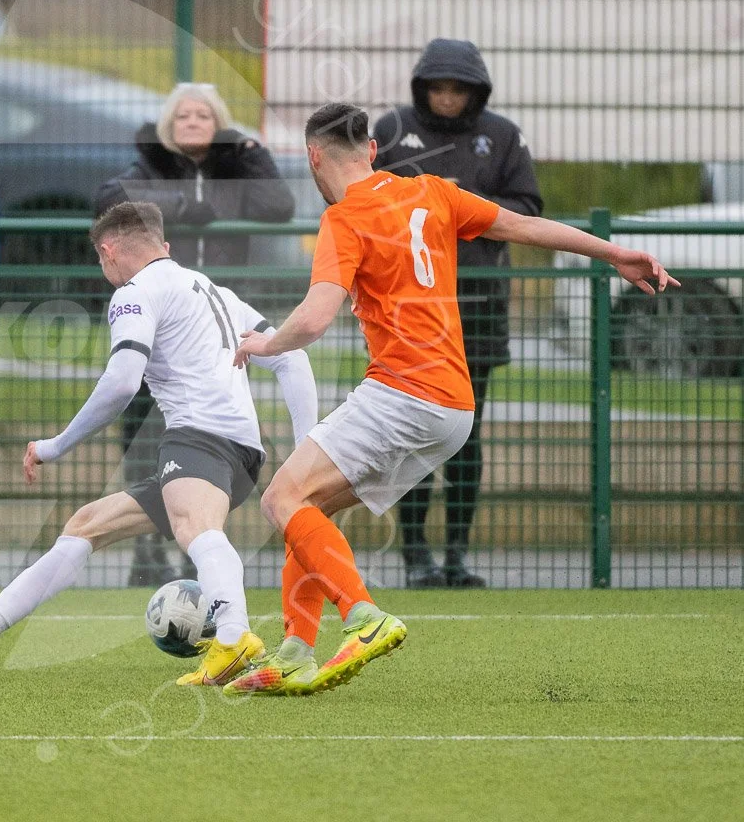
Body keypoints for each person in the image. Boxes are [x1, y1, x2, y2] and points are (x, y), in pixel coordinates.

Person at [226, 103, 675, 697]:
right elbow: (524, 225)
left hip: (402, 392)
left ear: (313, 156)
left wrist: (264, 343)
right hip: (454, 407)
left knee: (281, 496)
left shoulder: (344, 219)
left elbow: (312, 321)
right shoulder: (433, 192)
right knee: (310, 508)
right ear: (374, 151)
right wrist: (615, 253)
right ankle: (294, 653)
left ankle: (362, 616)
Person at [0, 201, 317, 688]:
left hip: (197, 437)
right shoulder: (217, 291)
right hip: (240, 454)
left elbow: (122, 381)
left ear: (107, 252)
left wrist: (56, 444)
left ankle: (234, 637)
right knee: (87, 525)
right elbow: (292, 360)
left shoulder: (136, 291)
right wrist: (303, 450)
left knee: (197, 528)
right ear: (164, 247)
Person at [93, 83, 295, 587]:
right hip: (160, 323)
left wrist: (251, 153)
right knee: (143, 430)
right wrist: (184, 204)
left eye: (204, 114)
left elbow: (280, 205)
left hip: (220, 325)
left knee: (211, 433)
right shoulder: (150, 165)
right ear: (168, 123)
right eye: (182, 114)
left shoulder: (236, 165)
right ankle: (146, 549)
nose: (192, 121)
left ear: (219, 122)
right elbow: (111, 199)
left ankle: (197, 544)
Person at [373, 38, 544, 588]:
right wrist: (418, 202)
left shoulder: (502, 135)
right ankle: (415, 555)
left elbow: (529, 206)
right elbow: (360, 196)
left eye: (458, 88)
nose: (447, 97)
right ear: (422, 88)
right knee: (412, 436)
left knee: (467, 436)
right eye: (437, 87)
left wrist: (459, 205)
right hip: (407, 311)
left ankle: (457, 557)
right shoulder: (392, 129)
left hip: (478, 308)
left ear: (476, 91)